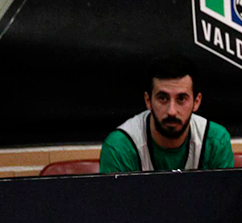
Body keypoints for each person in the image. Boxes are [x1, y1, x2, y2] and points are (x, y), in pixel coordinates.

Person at [99, 55, 234, 173]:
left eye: (181, 99)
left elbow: (224, 201)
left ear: (196, 102)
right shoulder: (121, 147)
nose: (171, 111)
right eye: (163, 98)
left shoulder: (216, 142)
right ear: (148, 101)